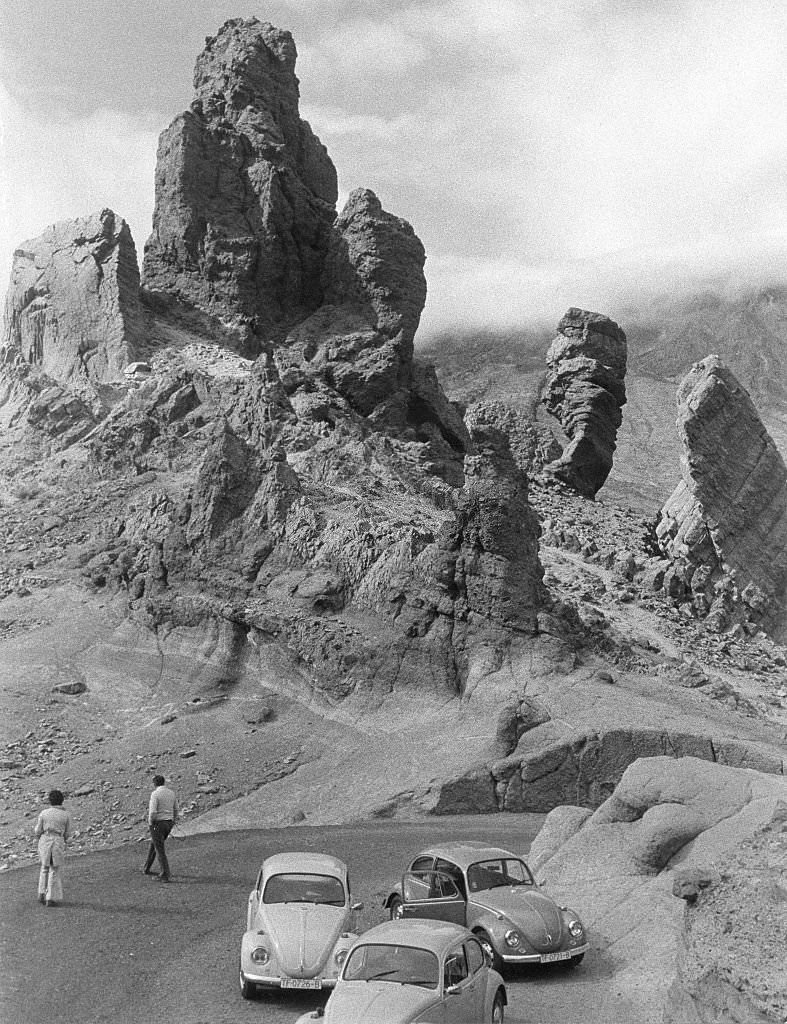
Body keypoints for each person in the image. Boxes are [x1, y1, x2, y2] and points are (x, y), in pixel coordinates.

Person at [34, 789, 71, 907]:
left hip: (45, 840)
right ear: (62, 801)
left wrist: (39, 837)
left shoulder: (44, 813)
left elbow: (38, 830)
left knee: (44, 867)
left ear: (50, 800)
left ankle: (41, 894)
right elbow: (67, 833)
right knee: (54, 869)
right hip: (57, 840)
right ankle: (50, 897)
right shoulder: (66, 814)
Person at [142, 774, 178, 882]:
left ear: (155, 783)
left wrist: (151, 823)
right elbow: (176, 809)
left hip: (157, 824)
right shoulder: (171, 793)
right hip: (169, 823)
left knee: (159, 849)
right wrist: (173, 821)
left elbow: (153, 812)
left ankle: (165, 875)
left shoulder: (155, 794)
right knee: (154, 844)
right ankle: (146, 868)